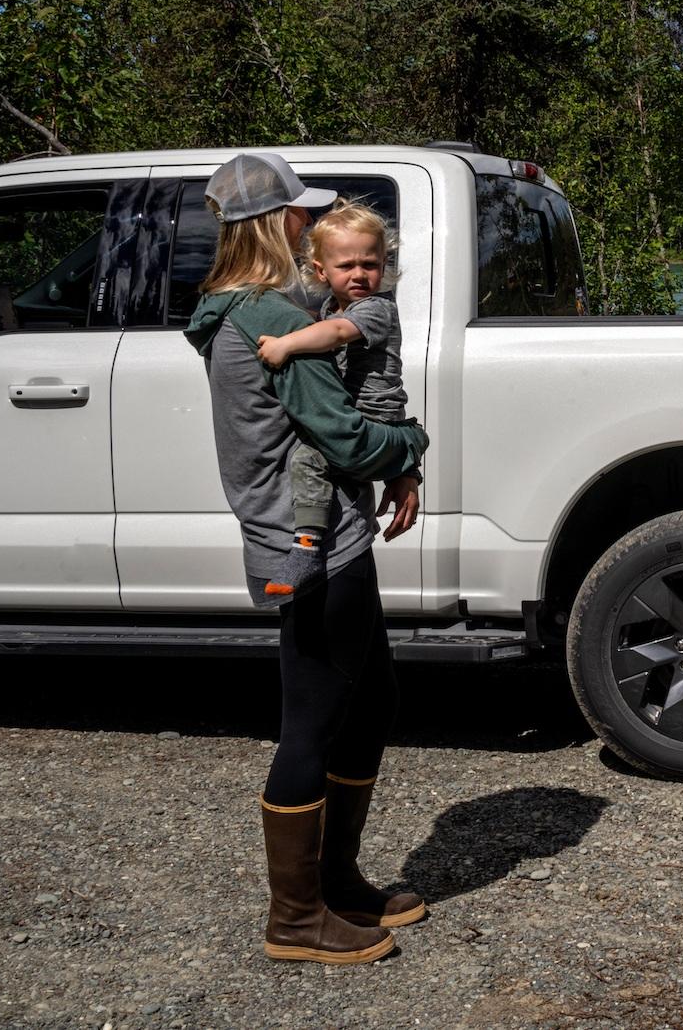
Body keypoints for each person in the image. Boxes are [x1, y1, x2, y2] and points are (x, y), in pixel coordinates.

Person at [184, 151, 431, 964]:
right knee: (315, 722)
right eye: (298, 213)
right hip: (314, 545)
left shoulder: (250, 308)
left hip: (330, 536)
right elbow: (347, 437)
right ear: (277, 223)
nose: (306, 222)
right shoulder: (264, 319)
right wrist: (411, 446)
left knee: (372, 698)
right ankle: (295, 916)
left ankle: (335, 879)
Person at [255, 199, 409, 599]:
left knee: (308, 457)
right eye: (347, 266)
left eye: (370, 265)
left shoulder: (376, 309)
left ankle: (306, 549)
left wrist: (286, 344)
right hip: (359, 414)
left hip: (371, 419)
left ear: (384, 265)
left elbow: (337, 333)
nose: (360, 274)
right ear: (321, 271)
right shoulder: (328, 306)